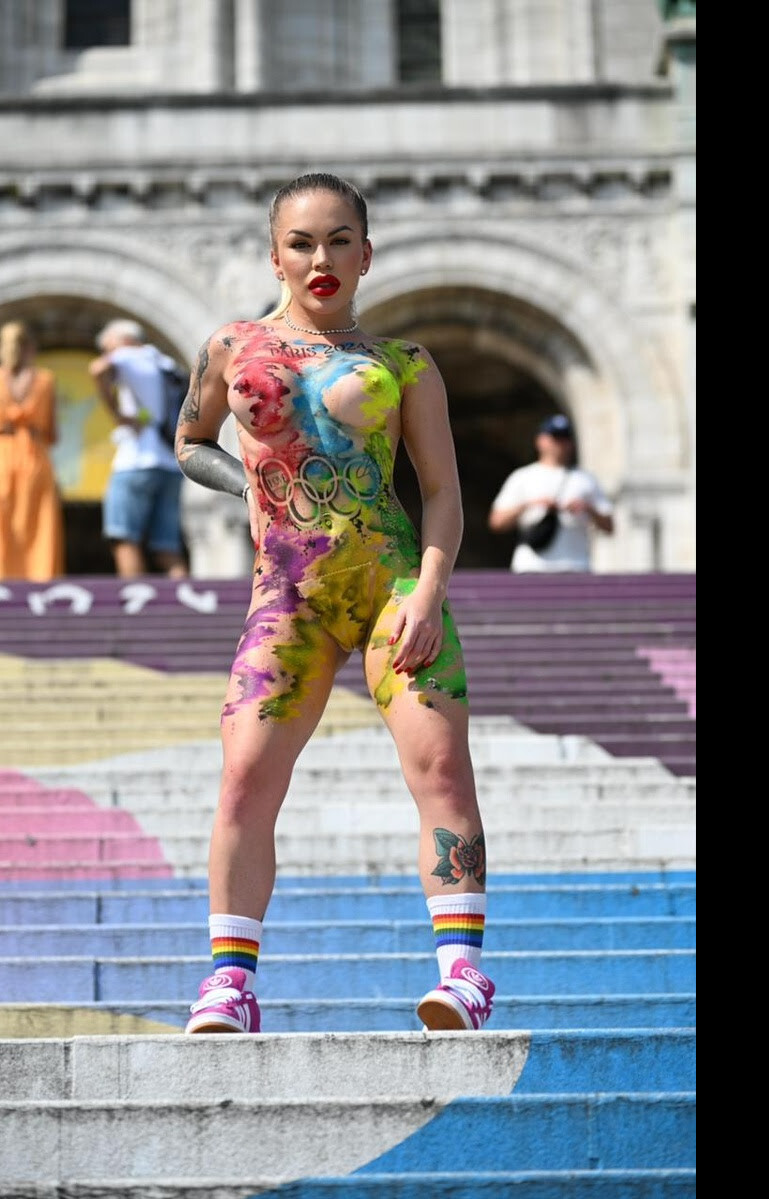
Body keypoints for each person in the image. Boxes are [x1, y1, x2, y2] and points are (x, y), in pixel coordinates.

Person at [173, 172, 494, 1036]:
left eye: (340, 240)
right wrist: (242, 481)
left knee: (440, 769)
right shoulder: (230, 347)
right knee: (245, 776)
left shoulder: (403, 363)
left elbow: (442, 493)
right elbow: (190, 442)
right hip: (288, 592)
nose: (322, 259)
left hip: (392, 586)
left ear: (366, 253)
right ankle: (230, 984)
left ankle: (463, 974)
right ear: (274, 254)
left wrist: (428, 591)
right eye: (304, 242)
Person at [0, 320, 65, 583]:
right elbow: (53, 434)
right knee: (38, 525)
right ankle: (39, 579)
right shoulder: (45, 381)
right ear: (30, 347)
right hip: (35, 455)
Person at [88, 319, 189, 579]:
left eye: (106, 346)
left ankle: (134, 608)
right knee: (167, 547)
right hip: (170, 464)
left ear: (119, 339)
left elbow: (97, 370)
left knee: (123, 538)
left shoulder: (126, 354)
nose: (106, 352)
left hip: (136, 460)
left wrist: (117, 413)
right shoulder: (165, 362)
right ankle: (184, 607)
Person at [487, 413, 615, 573]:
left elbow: (610, 526)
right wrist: (532, 505)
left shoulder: (586, 479)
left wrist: (587, 508)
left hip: (576, 566)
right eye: (555, 437)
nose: (560, 444)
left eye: (565, 438)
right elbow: (497, 522)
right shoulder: (523, 477)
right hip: (531, 566)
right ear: (540, 440)